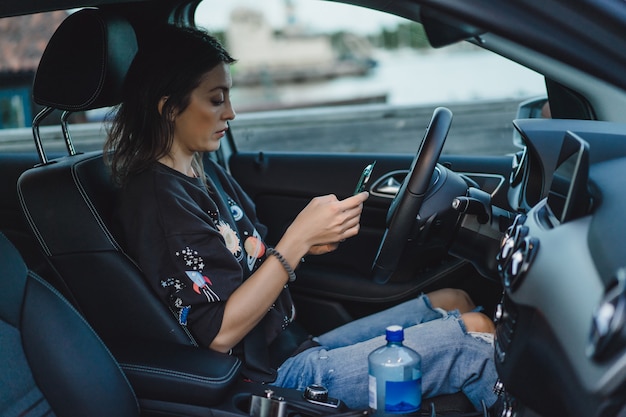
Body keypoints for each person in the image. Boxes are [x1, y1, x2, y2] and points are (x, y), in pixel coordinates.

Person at [104, 24, 498, 411]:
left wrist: (310, 244)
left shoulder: (203, 172)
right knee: (475, 340)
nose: (231, 112)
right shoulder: (159, 204)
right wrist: (296, 242)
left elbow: (248, 260)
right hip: (267, 378)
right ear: (169, 106)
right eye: (215, 99)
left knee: (455, 300)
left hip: (292, 344)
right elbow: (218, 335)